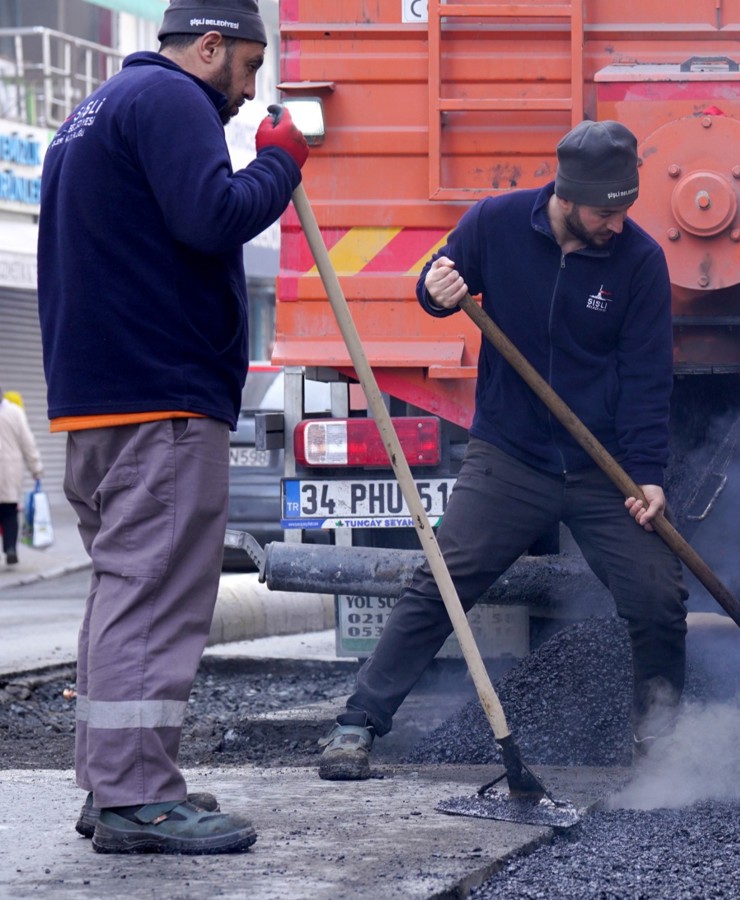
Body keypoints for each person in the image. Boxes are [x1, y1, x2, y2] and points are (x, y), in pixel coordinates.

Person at [316, 119, 687, 781]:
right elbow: (437, 280)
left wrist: (647, 475)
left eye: (625, 209)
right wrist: (434, 290)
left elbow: (647, 379)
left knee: (658, 595)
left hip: (601, 469)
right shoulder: (495, 223)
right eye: (606, 211)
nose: (617, 223)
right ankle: (357, 724)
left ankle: (661, 749)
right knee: (443, 581)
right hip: (511, 456)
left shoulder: (639, 261)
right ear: (568, 196)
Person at [37, 0, 308, 854]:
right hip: (163, 399)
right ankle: (140, 798)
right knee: (155, 599)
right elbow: (212, 215)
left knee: (124, 592)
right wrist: (281, 163)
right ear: (210, 45)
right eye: (249, 67)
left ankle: (113, 782)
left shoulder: (93, 112)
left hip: (100, 399)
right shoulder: (171, 99)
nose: (248, 90)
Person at [0, 389, 44, 565]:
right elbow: (28, 442)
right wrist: (36, 468)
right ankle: (11, 548)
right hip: (10, 469)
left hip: (9, 469)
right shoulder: (15, 412)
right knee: (10, 511)